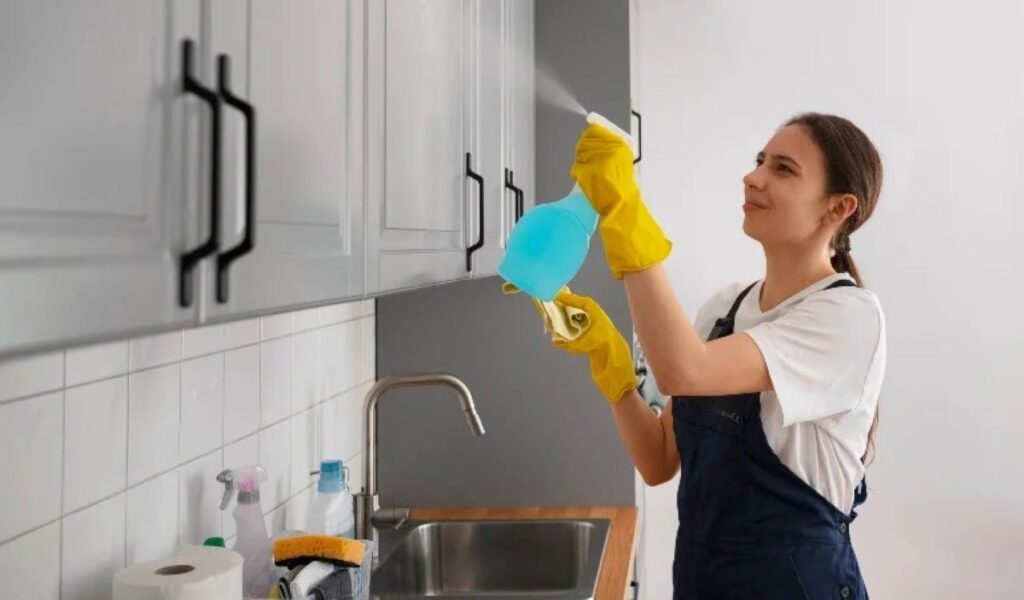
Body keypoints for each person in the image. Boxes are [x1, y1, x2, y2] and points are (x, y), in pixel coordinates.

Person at [549, 112, 887, 599]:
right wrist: (610, 363)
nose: (753, 177)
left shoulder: (848, 316)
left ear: (838, 207)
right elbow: (659, 459)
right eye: (759, 161)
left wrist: (627, 215)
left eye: (784, 169)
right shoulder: (725, 309)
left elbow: (684, 370)